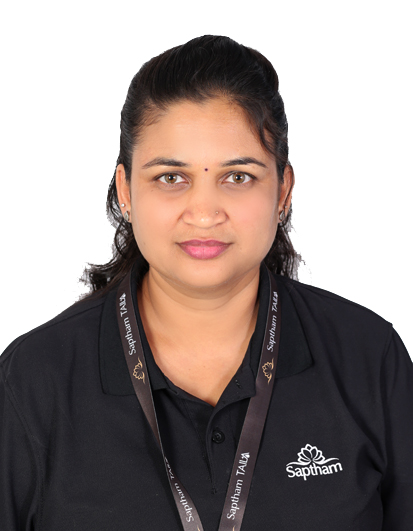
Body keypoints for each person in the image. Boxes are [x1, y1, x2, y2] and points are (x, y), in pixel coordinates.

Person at [1, 35, 412, 531]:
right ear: (125, 190)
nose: (203, 212)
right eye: (171, 178)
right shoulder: (33, 380)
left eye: (237, 177)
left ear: (283, 190)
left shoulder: (370, 358)